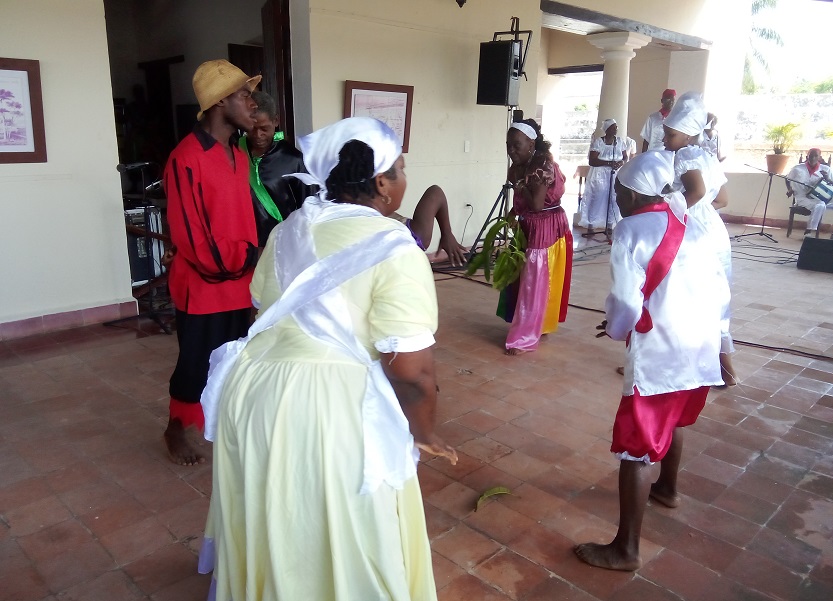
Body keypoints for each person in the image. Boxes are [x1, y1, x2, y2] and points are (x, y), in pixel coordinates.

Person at [197, 117, 458, 600]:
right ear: (381, 183)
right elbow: (414, 371)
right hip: (329, 408)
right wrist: (423, 432)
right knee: (346, 527)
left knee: (273, 510)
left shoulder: (288, 230)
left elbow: (264, 309)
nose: (404, 178)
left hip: (253, 394)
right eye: (400, 169)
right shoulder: (397, 249)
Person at [574, 150, 728, 571]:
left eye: (621, 191)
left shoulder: (631, 229)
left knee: (636, 449)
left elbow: (625, 300)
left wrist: (619, 328)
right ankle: (668, 489)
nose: (617, 199)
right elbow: (719, 287)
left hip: (660, 352)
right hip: (698, 349)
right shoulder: (691, 223)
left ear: (634, 193)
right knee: (674, 420)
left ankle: (626, 549)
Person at [162, 60, 260, 465]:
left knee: (235, 359)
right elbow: (190, 234)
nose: (252, 103)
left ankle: (228, 425)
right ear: (219, 103)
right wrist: (239, 260)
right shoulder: (186, 157)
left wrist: (252, 260)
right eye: (244, 95)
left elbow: (245, 216)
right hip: (203, 287)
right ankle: (174, 430)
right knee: (195, 364)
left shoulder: (237, 154)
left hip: (240, 282)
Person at [500, 119, 572, 355]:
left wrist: (521, 187)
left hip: (544, 225)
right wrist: (513, 213)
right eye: (508, 145)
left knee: (535, 282)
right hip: (529, 224)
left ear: (531, 144)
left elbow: (538, 205)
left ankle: (525, 338)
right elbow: (524, 202)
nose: (511, 151)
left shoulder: (541, 166)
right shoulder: (520, 165)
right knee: (527, 280)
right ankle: (534, 324)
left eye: (516, 145)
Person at [240, 90, 316, 247]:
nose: (258, 135)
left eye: (264, 128)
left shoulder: (294, 160)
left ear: (275, 121)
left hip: (281, 245)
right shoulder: (236, 151)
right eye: (252, 128)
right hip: (245, 245)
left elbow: (309, 209)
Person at [389, 184, 468, 266]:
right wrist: (447, 233)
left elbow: (436, 194)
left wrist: (447, 233)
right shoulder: (415, 237)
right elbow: (436, 193)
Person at [579, 118, 627, 237]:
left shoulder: (620, 142)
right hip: (600, 174)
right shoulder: (599, 142)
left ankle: (610, 225)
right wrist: (608, 163)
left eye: (616, 127)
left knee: (614, 198)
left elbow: (625, 157)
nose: (616, 129)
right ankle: (591, 225)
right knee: (597, 197)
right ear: (607, 129)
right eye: (613, 127)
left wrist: (620, 162)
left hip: (615, 173)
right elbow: (592, 160)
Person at [786, 147, 833, 236]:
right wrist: (789, 189)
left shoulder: (826, 169)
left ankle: (809, 230)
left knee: (821, 204)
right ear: (807, 156)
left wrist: (827, 179)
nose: (813, 158)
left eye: (816, 156)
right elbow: (787, 179)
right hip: (801, 197)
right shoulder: (797, 168)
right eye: (810, 156)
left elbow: (832, 184)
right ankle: (809, 230)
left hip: (818, 197)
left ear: (819, 157)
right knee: (820, 205)